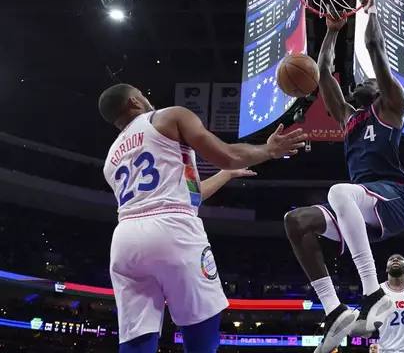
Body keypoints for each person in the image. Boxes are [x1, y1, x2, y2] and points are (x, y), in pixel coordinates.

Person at [99, 84, 306, 353]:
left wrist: (225, 175)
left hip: (125, 239)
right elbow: (228, 155)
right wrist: (268, 151)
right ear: (134, 102)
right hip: (172, 229)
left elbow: (186, 195)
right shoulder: (168, 116)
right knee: (202, 333)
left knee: (137, 337)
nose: (149, 99)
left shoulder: (111, 158)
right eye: (144, 95)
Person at [283, 0, 404, 353]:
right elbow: (323, 72)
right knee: (295, 221)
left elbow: (374, 46)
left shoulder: (391, 106)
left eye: (367, 81)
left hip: (393, 197)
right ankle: (335, 311)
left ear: (379, 90)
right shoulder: (347, 117)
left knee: (339, 191)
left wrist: (370, 10)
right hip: (360, 207)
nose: (360, 82)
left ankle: (373, 292)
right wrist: (332, 30)